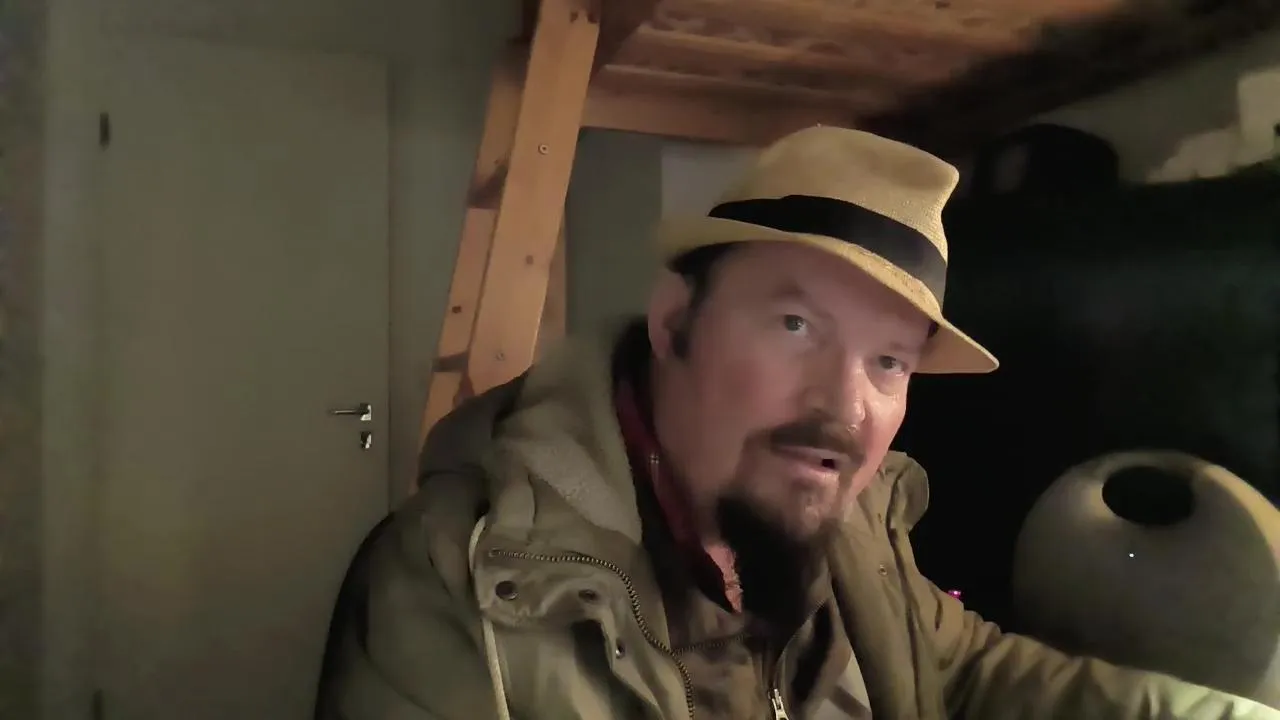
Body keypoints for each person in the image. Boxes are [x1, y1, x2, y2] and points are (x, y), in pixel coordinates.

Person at [316, 127, 1279, 720]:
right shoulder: (454, 581)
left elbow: (972, 673)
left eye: (889, 362)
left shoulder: (857, 536)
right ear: (674, 324)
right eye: (795, 326)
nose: (845, 408)